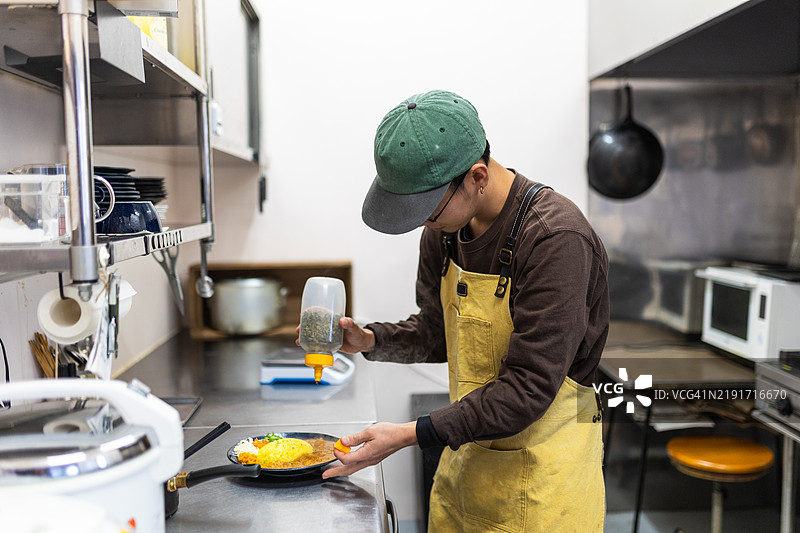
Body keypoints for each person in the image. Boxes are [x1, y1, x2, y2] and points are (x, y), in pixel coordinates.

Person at [322, 89, 609, 532]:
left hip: (544, 485)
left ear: (477, 176)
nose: (423, 224)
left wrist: (409, 434)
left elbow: (529, 388)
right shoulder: (445, 232)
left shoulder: (556, 239)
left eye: (428, 212)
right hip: (467, 469)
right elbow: (437, 333)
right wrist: (369, 340)